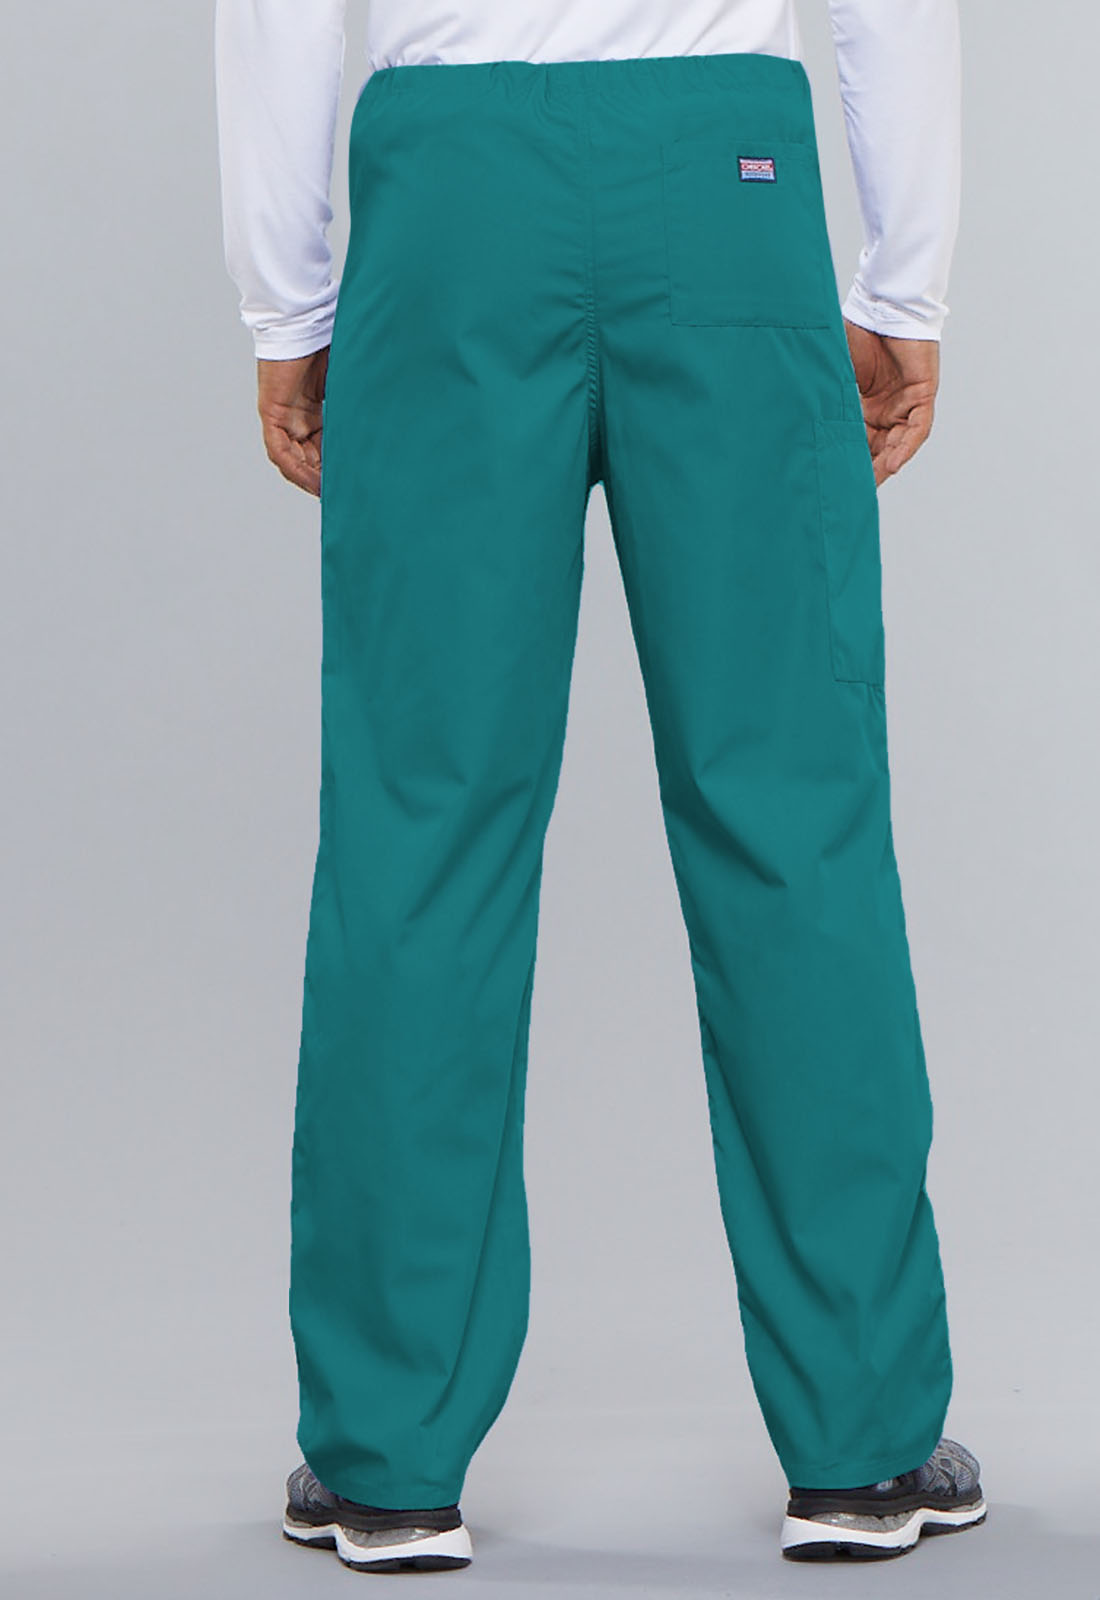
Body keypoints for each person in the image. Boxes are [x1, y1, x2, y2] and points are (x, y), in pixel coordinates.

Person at [214, 0, 986, 1572]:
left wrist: (287, 311)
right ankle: (862, 1444)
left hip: (451, 198)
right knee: (794, 816)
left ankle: (385, 1459)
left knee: (420, 826)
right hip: (724, 175)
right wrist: (905, 280)